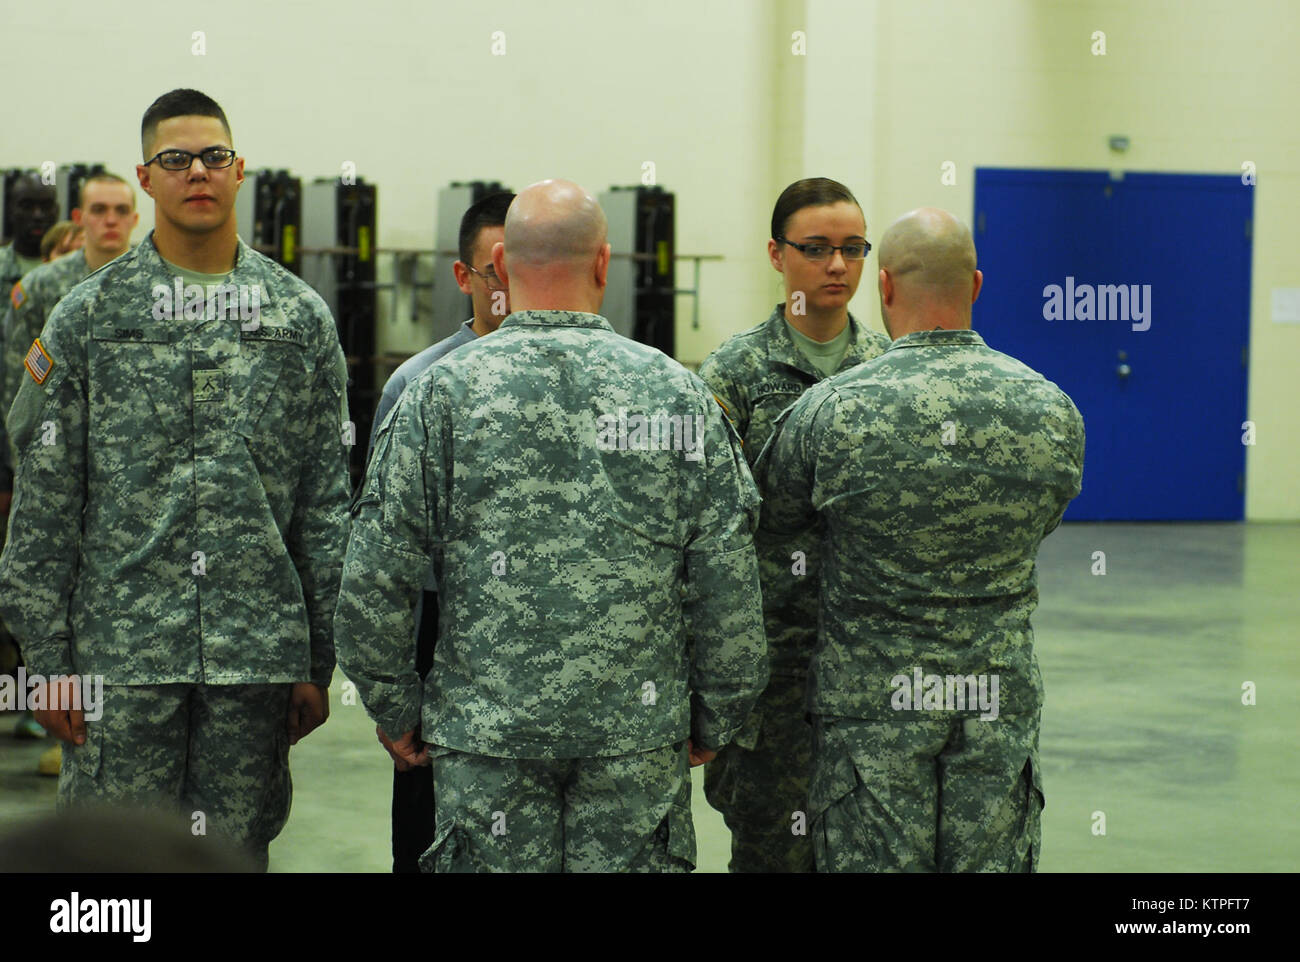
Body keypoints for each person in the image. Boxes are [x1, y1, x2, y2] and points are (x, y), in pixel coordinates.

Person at [336, 178, 768, 873]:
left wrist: (395, 705)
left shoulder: (438, 394)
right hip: (634, 743)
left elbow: (375, 572)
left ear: (501, 265)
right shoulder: (676, 394)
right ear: (604, 264)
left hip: (487, 741)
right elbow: (726, 576)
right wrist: (717, 712)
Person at [0, 88, 351, 870]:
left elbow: (326, 505)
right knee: (111, 875)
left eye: (215, 156)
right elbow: (47, 503)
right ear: (146, 177)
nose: (199, 171)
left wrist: (316, 658)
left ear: (239, 171)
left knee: (230, 858)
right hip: (119, 664)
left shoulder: (298, 319)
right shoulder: (88, 320)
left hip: (252, 664)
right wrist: (47, 664)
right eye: (176, 159)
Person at [756, 207, 1085, 872]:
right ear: (977, 286)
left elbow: (772, 533)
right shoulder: (1051, 409)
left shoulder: (832, 409)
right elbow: (1043, 520)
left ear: (883, 287)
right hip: (996, 700)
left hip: (874, 706)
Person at [696, 177, 890, 872]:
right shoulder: (734, 375)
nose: (837, 266)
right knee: (773, 849)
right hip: (771, 672)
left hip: (869, 668)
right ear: (778, 256)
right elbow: (707, 529)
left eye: (852, 249)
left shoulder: (889, 372)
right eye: (816, 249)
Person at [369, 189, 514, 873]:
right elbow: (382, 553)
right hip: (443, 630)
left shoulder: (596, 378)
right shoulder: (420, 384)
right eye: (497, 271)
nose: (514, 287)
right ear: (465, 277)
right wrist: (391, 691)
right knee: (432, 838)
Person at [0, 173, 137, 775]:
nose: (110, 220)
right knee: (52, 600)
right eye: (99, 210)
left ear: (136, 217)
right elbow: (17, 393)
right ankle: (61, 722)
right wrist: (18, 477)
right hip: (56, 481)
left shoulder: (151, 290)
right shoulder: (41, 289)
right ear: (78, 217)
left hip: (127, 487)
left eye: (121, 210)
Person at [0, 173, 59, 741]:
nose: (36, 216)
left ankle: (30, 700)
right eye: (25, 206)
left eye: (46, 206)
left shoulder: (67, 283)